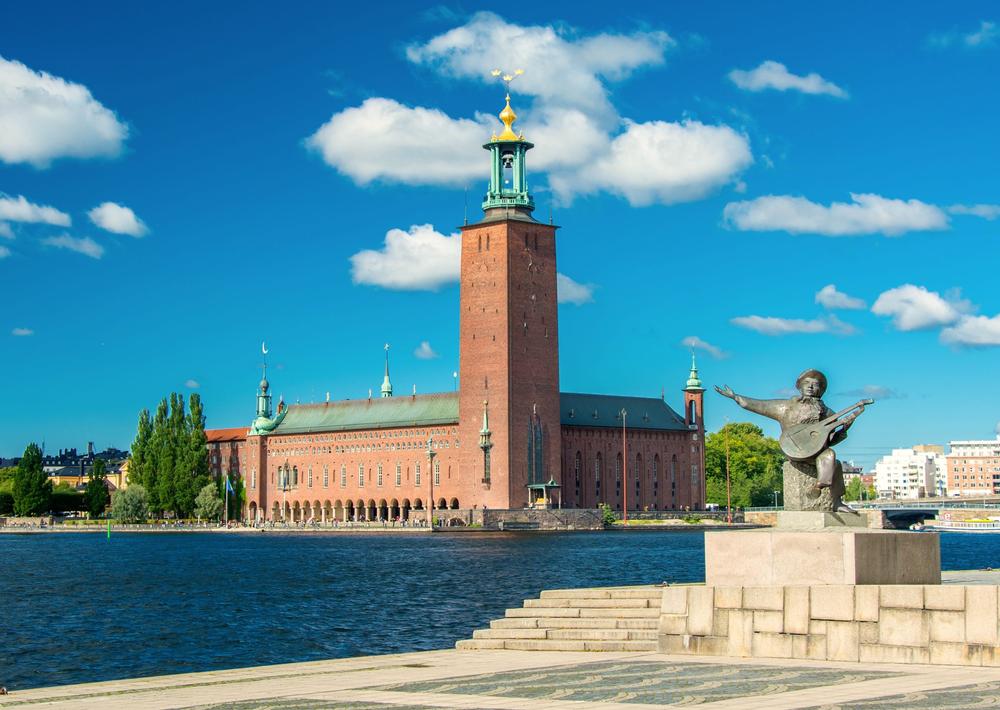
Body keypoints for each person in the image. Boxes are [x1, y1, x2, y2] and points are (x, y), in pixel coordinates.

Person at [716, 369, 857, 494]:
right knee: (832, 460)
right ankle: (826, 491)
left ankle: (831, 496)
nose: (810, 386)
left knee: (832, 459)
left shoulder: (826, 412)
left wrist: (845, 428)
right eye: (806, 382)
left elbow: (830, 440)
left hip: (815, 452)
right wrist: (735, 397)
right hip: (793, 450)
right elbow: (758, 405)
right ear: (799, 386)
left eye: (815, 384)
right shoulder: (785, 407)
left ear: (820, 389)